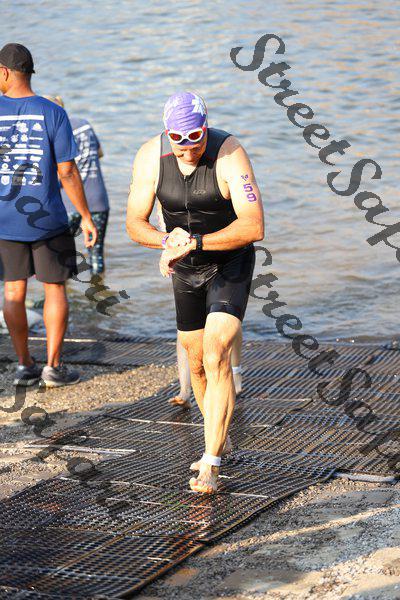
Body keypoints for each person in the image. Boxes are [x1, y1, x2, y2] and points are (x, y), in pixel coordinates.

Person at [127, 91, 264, 493]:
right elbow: (134, 222)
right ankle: (215, 436)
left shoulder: (230, 154)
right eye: (178, 140)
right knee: (196, 361)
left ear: (206, 128)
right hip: (184, 268)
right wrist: (166, 240)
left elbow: (254, 225)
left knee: (216, 351)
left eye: (196, 139)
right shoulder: (150, 156)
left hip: (229, 262)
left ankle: (211, 463)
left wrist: (197, 242)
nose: (188, 149)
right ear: (167, 133)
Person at [0, 43, 97, 387]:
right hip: (47, 219)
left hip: (5, 220)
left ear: (4, 72)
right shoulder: (52, 112)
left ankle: (24, 365)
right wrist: (85, 215)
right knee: (55, 288)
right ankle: (53, 368)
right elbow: (67, 170)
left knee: (13, 291)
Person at [156, 200, 244, 406]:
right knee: (186, 329)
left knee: (226, 322)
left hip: (222, 255)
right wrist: (166, 243)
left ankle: (236, 374)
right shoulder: (158, 184)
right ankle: (185, 390)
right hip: (183, 257)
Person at [44, 96, 109, 275]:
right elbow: (100, 153)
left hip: (69, 202)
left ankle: (64, 290)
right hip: (97, 199)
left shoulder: (51, 131)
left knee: (61, 252)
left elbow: (61, 172)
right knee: (96, 254)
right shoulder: (84, 124)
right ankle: (98, 290)